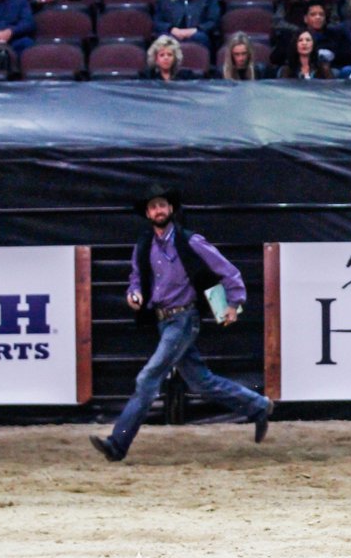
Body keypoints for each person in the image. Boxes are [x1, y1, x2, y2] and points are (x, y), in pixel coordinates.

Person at [89, 184, 274, 462]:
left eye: (162, 205)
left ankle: (117, 443)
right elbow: (135, 278)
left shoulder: (191, 241)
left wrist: (234, 303)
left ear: (171, 209)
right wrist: (134, 294)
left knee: (148, 378)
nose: (158, 210)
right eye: (153, 207)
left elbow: (228, 270)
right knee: (202, 382)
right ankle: (258, 405)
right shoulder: (144, 245)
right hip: (164, 322)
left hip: (184, 319)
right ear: (148, 213)